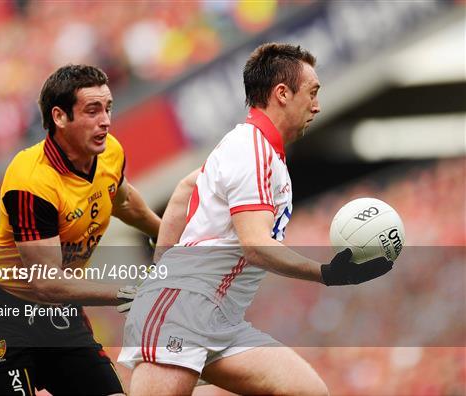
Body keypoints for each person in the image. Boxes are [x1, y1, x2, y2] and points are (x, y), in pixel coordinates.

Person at [118, 43, 393, 395]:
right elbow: (256, 246)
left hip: (219, 316)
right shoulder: (253, 150)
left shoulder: (252, 146)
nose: (317, 105)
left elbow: (186, 190)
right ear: (282, 93)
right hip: (185, 309)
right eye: (312, 93)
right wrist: (327, 273)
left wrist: (159, 269)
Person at [0, 64, 161, 395]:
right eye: (93, 110)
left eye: (108, 108)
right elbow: (46, 283)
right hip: (5, 310)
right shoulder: (31, 180)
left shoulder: (110, 150)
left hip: (59, 315)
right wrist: (131, 293)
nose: (106, 121)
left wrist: (174, 238)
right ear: (59, 117)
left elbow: (124, 202)